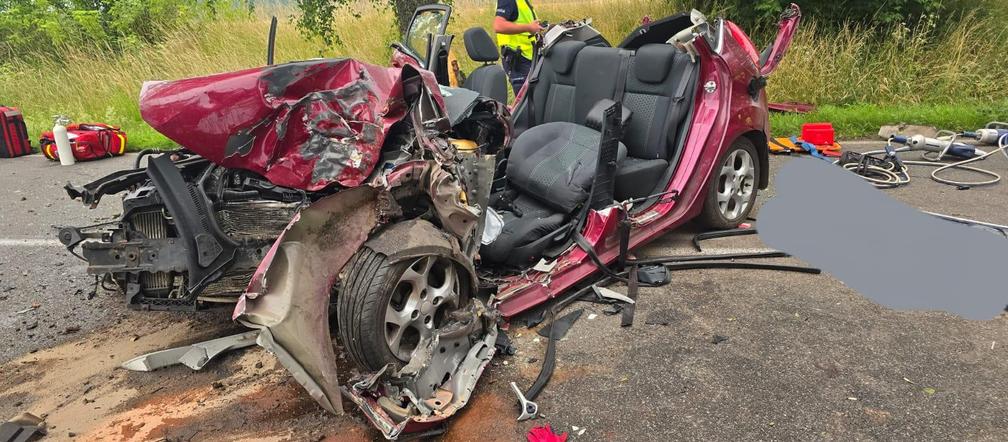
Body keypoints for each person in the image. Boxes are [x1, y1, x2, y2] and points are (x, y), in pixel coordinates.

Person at [494, 0, 543, 95]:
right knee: (525, 102)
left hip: (530, 57)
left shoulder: (523, 2)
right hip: (518, 59)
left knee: (535, 99)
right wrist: (528, 28)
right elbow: (498, 25)